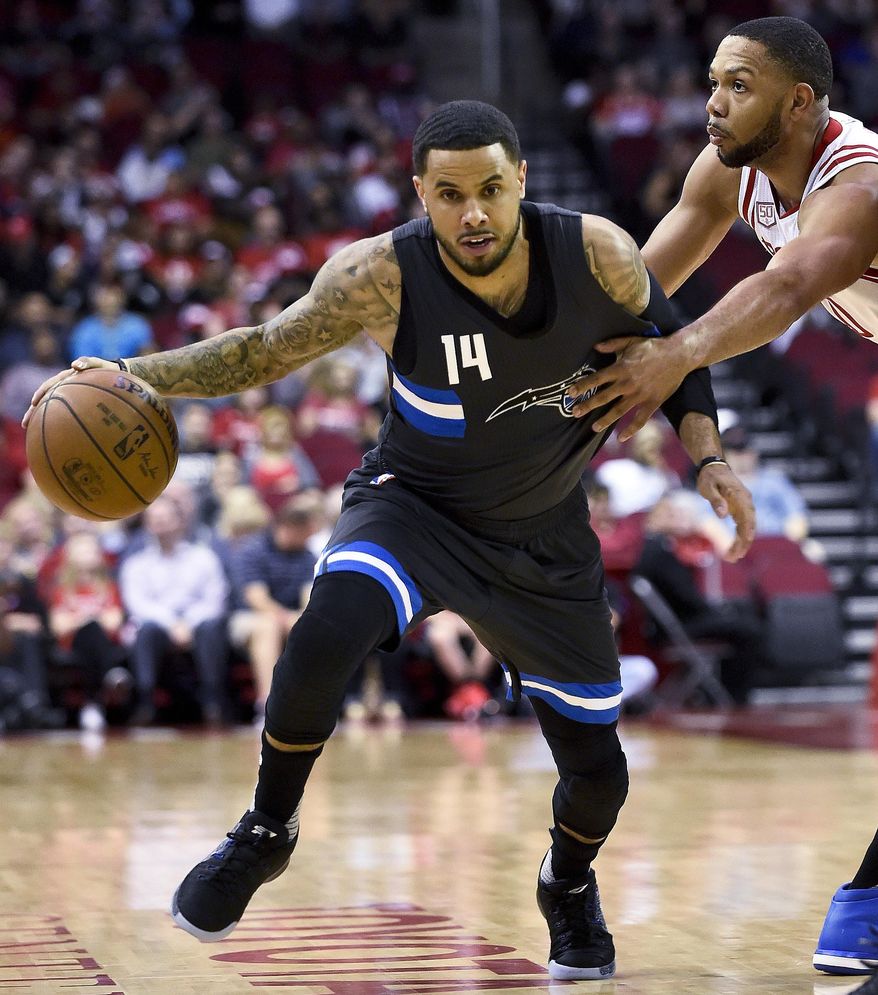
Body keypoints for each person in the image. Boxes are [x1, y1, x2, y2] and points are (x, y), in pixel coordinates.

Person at [24, 100, 754, 981]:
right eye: (450, 194)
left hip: (543, 535)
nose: (473, 212)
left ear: (522, 179)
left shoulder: (595, 251)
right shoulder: (381, 275)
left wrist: (707, 457)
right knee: (327, 626)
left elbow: (677, 347)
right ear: (420, 193)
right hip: (414, 507)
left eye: (490, 189)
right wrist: (134, 373)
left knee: (600, 775)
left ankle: (567, 882)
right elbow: (263, 350)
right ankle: (266, 829)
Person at [560, 16, 878, 978]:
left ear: (798, 101)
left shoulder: (859, 184)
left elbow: (785, 291)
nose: (712, 101)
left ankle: (868, 893)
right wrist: (552, 381)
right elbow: (643, 288)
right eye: (711, 80)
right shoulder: (725, 170)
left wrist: (673, 357)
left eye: (737, 84)